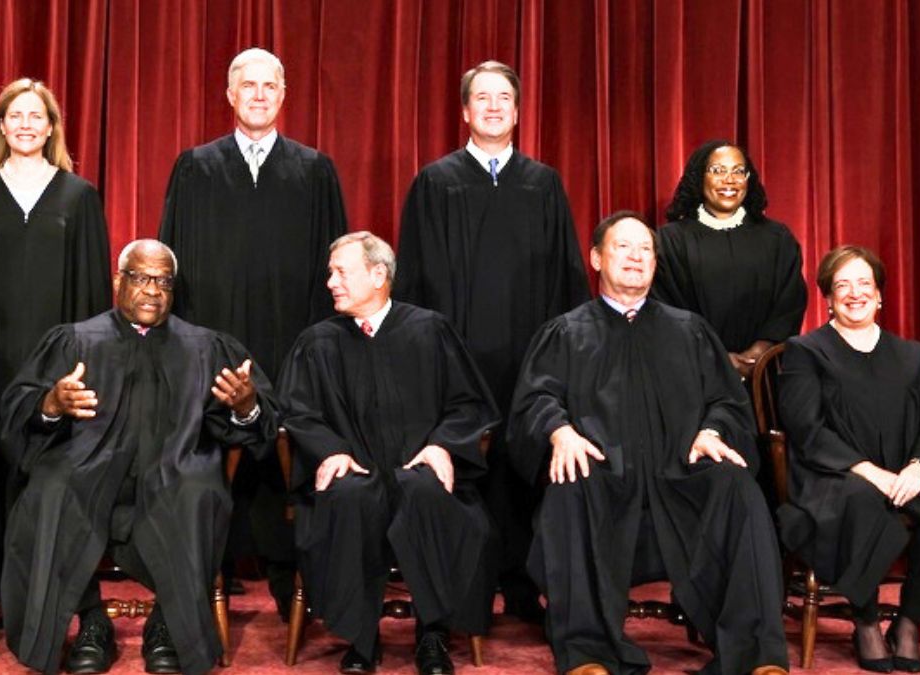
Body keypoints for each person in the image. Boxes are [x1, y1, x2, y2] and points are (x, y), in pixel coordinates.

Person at [508, 212, 789, 675]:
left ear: (656, 264)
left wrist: (712, 431)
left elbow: (727, 400)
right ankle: (588, 653)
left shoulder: (690, 331)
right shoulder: (565, 332)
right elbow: (534, 399)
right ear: (597, 258)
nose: (636, 257)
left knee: (738, 488)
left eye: (646, 249)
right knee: (569, 485)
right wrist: (560, 431)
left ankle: (756, 655)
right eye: (624, 247)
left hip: (682, 475)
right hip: (603, 477)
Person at [0, 240, 277, 675]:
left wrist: (246, 407)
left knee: (199, 492)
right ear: (118, 281)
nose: (153, 290)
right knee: (50, 492)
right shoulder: (74, 340)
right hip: (87, 466)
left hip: (173, 468)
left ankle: (166, 625)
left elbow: (257, 426)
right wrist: (51, 403)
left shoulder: (206, 348)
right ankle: (92, 622)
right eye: (142, 278)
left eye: (163, 281)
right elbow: (18, 412)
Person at [394, 60, 589, 620]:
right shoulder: (435, 182)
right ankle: (463, 590)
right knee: (463, 463)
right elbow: (414, 276)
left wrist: (561, 358)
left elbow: (565, 277)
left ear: (518, 111)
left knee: (523, 460)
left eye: (504, 97)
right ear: (464, 111)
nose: (495, 106)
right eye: (483, 97)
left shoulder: (544, 184)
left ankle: (524, 581)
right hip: (458, 355)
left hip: (530, 358)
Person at [159, 47, 347, 614]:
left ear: (283, 96)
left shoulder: (314, 170)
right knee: (214, 451)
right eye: (249, 85)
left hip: (291, 337)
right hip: (215, 338)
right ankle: (213, 565)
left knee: (285, 452)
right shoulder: (195, 167)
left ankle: (289, 571)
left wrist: (321, 346)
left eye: (271, 86)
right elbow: (172, 263)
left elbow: (333, 264)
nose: (260, 95)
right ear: (230, 95)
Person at [279, 232, 500, 675]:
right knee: (351, 497)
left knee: (426, 492)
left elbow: (470, 405)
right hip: (356, 472)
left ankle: (433, 633)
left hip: (417, 468)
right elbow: (297, 413)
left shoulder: (430, 330)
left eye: (341, 272)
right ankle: (362, 638)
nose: (330, 283)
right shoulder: (318, 341)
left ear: (379, 275)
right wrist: (331, 451)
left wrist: (442, 446)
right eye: (330, 273)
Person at [0, 77, 112, 605]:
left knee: (53, 473)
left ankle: (52, 591)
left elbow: (91, 290)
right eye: (15, 115)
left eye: (36, 116)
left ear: (51, 127)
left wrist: (82, 366)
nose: (25, 125)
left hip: (55, 367)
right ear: (0, 125)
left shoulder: (78, 196)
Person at [778, 245, 920, 673]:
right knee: (860, 501)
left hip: (903, 471)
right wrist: (867, 471)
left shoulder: (910, 355)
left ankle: (910, 622)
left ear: (880, 294)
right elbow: (806, 429)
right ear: (827, 298)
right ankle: (865, 620)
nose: (854, 293)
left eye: (864, 283)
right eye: (842, 285)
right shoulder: (807, 350)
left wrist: (919, 467)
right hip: (834, 473)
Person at [653, 139, 806, 379]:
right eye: (718, 171)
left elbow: (789, 301)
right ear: (699, 177)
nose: (730, 180)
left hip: (761, 376)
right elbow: (665, 307)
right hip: (693, 373)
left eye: (738, 171)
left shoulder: (777, 238)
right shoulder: (671, 241)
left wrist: (759, 352)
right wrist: (716, 358)